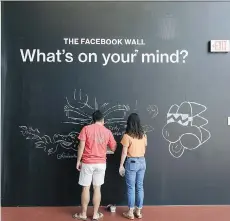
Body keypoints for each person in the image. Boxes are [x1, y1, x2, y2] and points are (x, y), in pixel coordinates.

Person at [73, 110, 117, 221]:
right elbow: (113, 147)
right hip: (101, 163)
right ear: (103, 120)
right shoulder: (107, 131)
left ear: (93, 120)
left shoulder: (86, 129)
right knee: (97, 188)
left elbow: (81, 147)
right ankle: (95, 215)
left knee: (86, 188)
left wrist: (78, 161)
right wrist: (103, 149)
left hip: (87, 163)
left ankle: (83, 214)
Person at [119, 113, 147, 220]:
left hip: (132, 162)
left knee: (131, 188)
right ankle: (138, 211)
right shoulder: (144, 135)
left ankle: (130, 212)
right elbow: (144, 149)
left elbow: (124, 153)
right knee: (140, 186)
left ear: (129, 123)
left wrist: (121, 165)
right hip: (142, 161)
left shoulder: (127, 136)